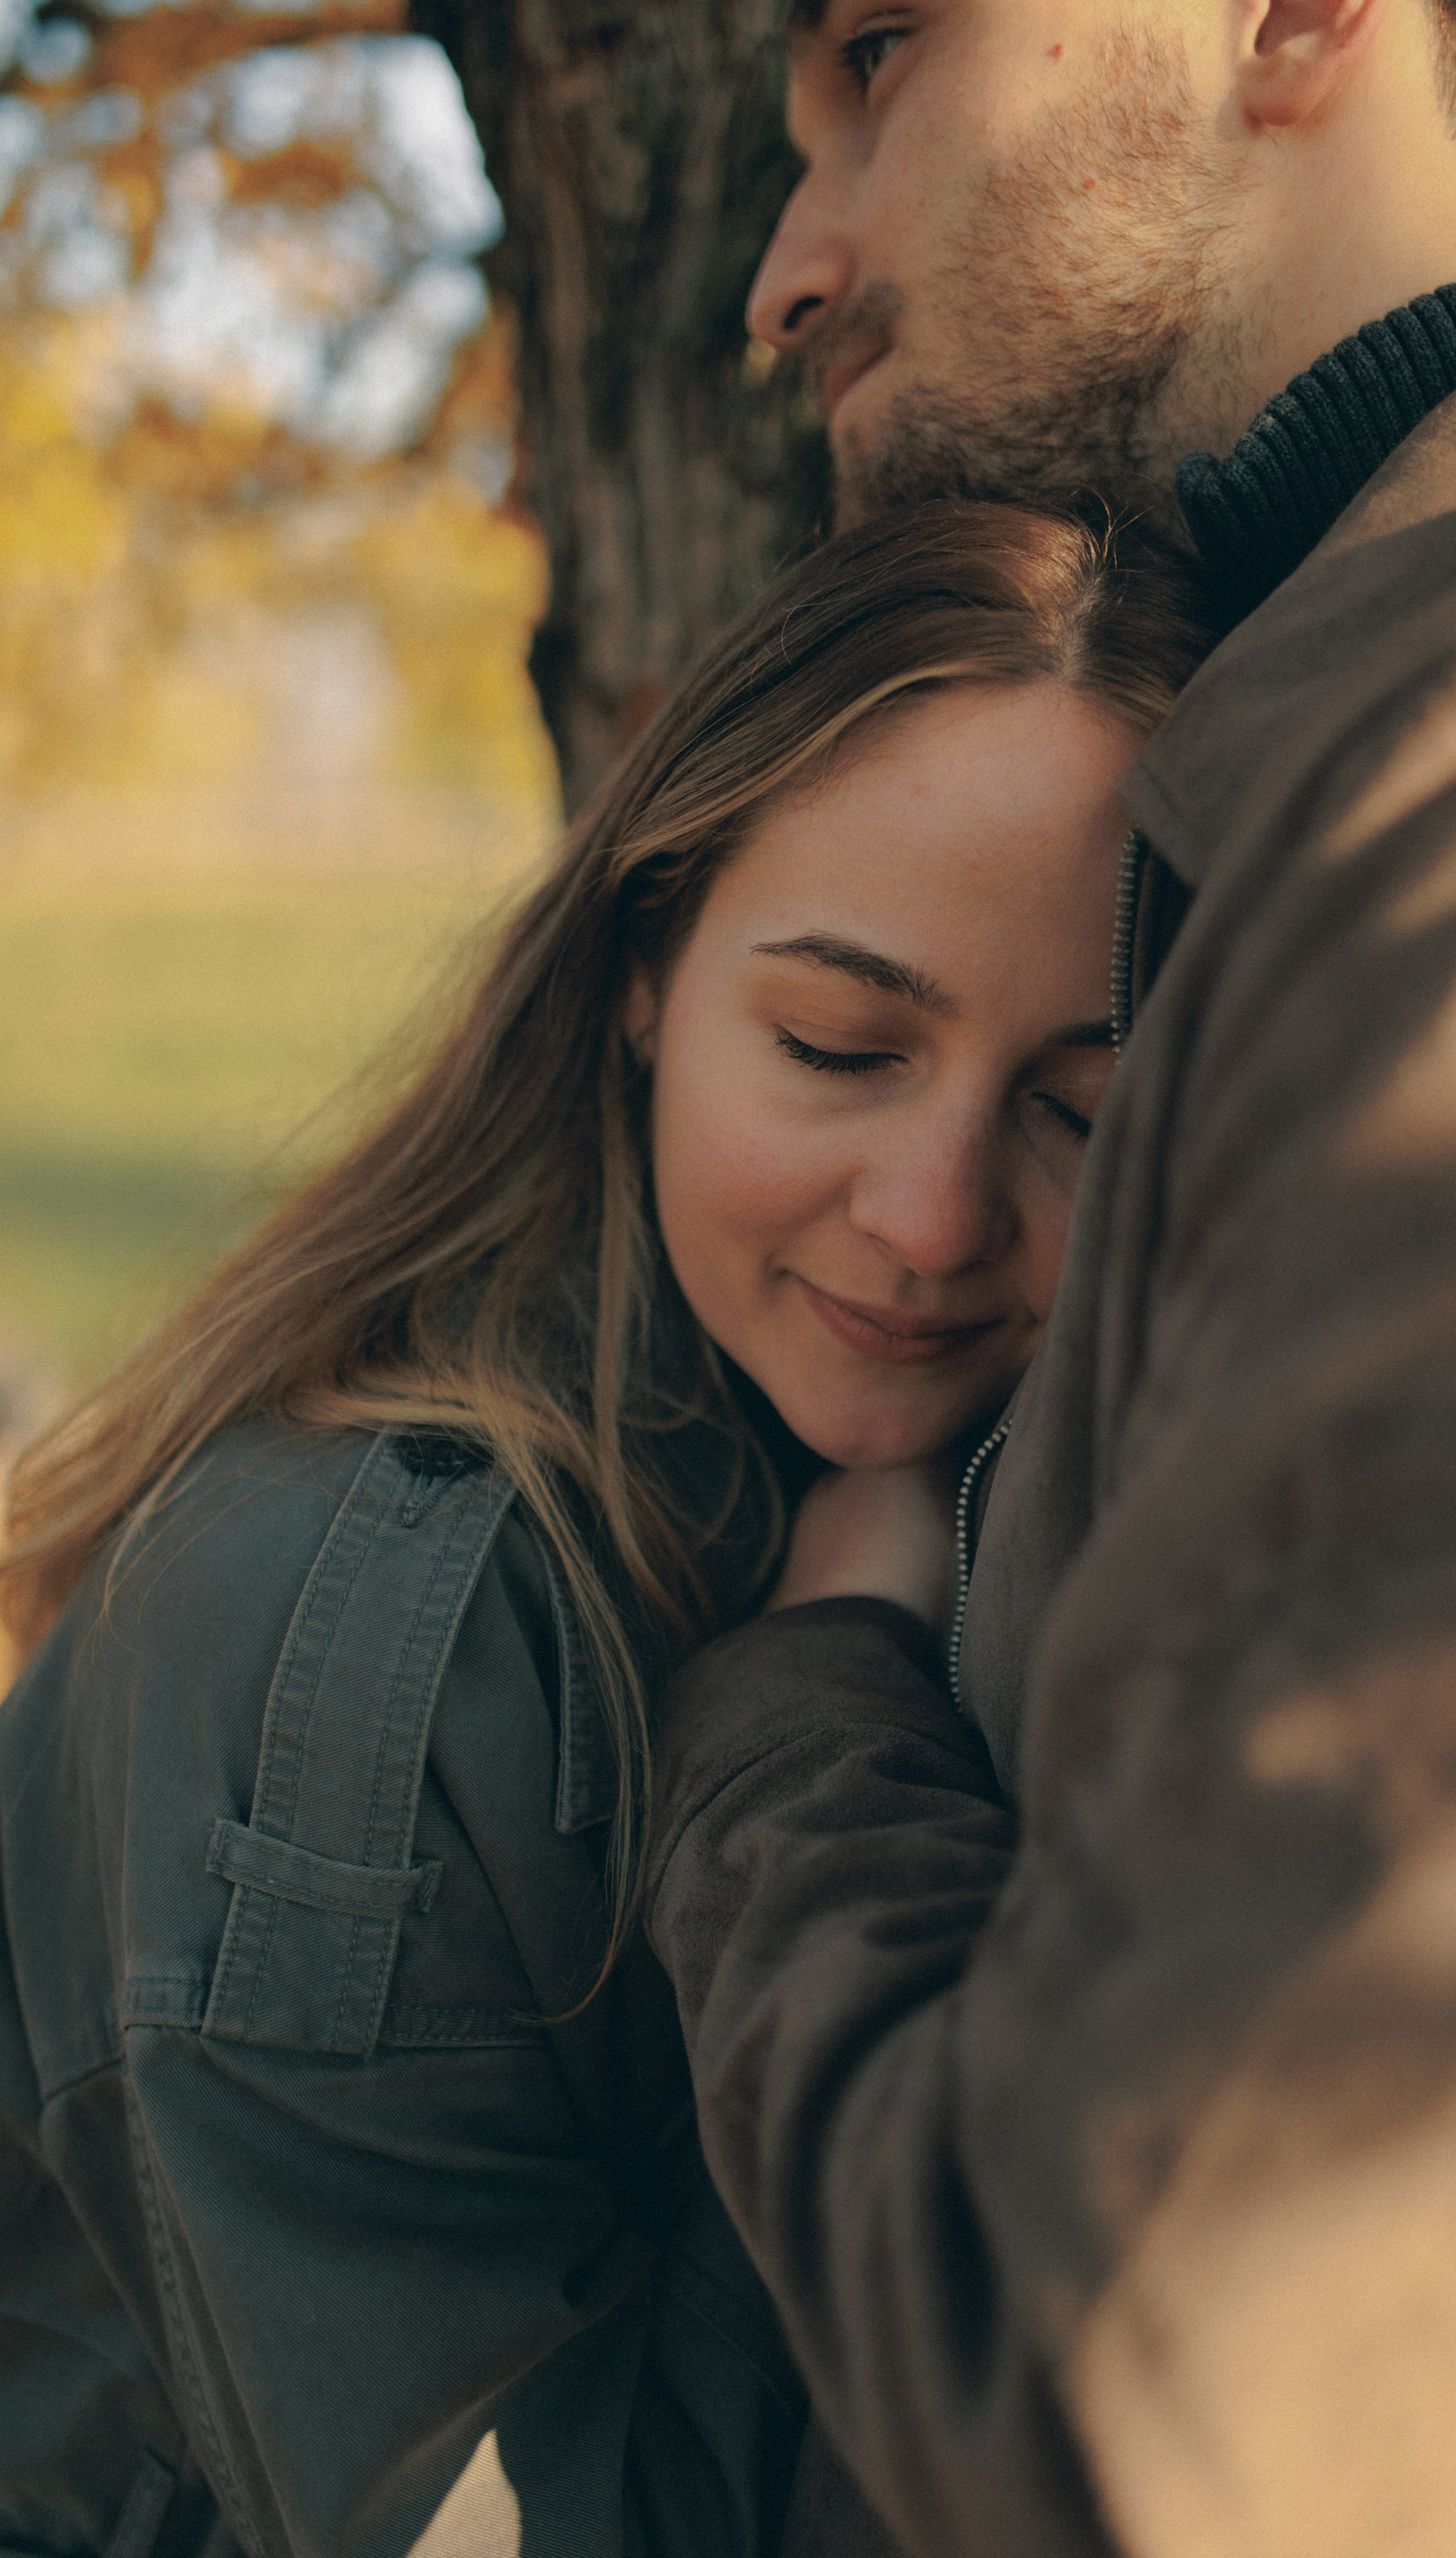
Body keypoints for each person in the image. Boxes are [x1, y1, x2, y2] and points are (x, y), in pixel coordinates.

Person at [643, 5, 1456, 2557]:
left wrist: (803, 1716)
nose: (785, 273)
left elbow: (1166, 2414)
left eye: (883, 54)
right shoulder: (1387, 735)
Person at [0, 505, 1205, 2557]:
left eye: (1079, 1110)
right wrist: (818, 1713)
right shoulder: (365, 1678)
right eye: (838, 1048)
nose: (930, 1219)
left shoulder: (979, 1488)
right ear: (644, 971)